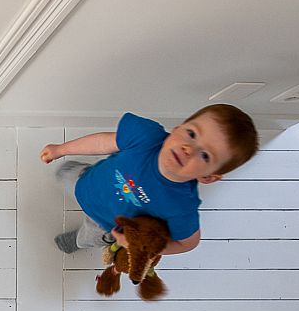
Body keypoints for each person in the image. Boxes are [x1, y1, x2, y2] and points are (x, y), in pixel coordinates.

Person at [41, 104, 259, 255]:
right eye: (192, 134)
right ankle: (74, 174)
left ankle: (80, 242)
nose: (188, 149)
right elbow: (103, 142)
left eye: (205, 155)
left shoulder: (181, 206)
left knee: (90, 236)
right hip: (88, 180)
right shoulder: (146, 136)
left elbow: (187, 243)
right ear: (178, 127)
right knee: (67, 174)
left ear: (208, 176)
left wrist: (137, 245)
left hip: (107, 223)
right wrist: (61, 149)